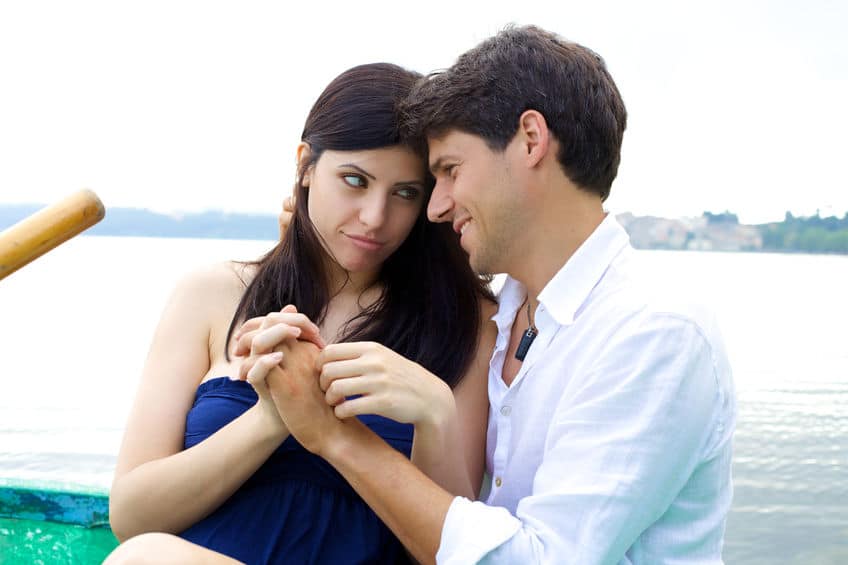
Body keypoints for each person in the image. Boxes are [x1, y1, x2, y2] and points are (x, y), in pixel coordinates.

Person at [243, 25, 737, 564]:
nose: (436, 206)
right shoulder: (504, 316)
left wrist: (335, 438)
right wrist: (306, 250)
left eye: (450, 171)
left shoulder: (653, 332)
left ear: (530, 140)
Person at [104, 62, 495, 564]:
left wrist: (434, 414)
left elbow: (454, 555)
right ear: (306, 165)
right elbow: (132, 519)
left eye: (405, 194)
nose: (375, 217)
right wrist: (274, 418)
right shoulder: (212, 294)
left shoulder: (464, 322)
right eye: (354, 180)